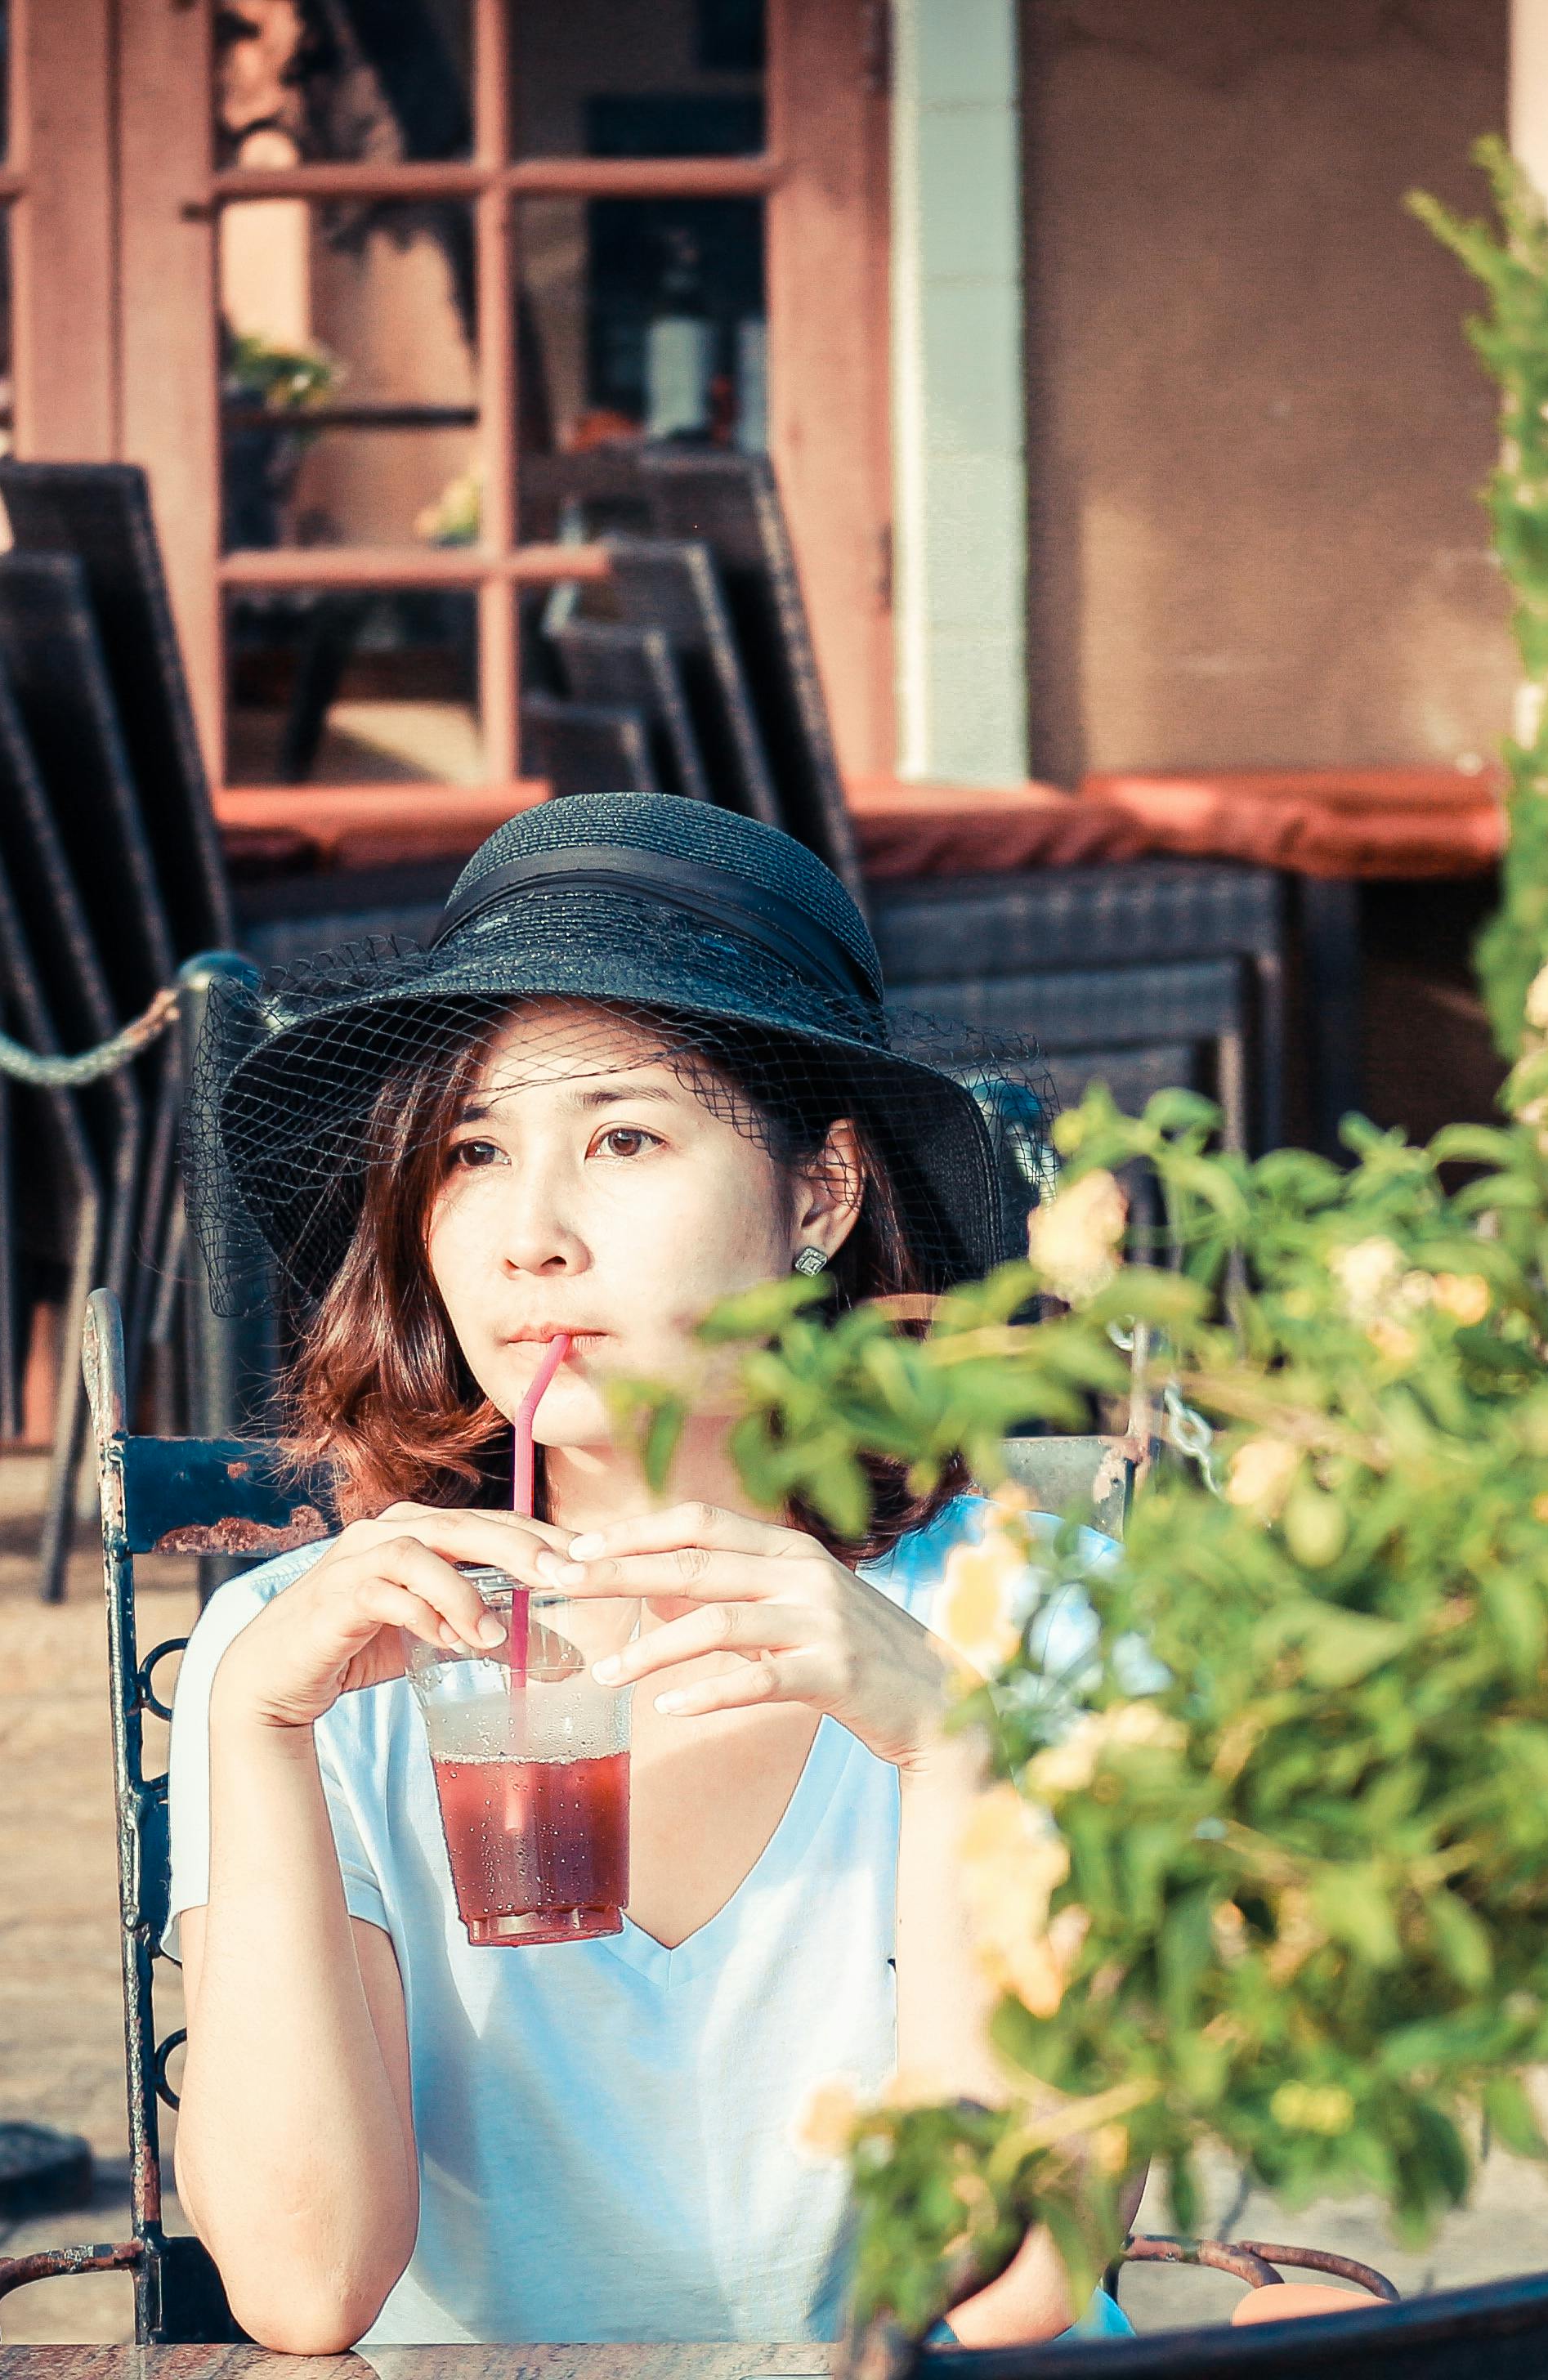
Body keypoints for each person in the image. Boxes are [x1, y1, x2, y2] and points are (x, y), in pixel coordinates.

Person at [162, 795, 1118, 2352]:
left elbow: (1014, 2292)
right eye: (473, 1150)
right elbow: (302, 2286)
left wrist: (958, 1749)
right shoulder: (299, 1655)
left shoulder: (1024, 1608)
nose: (529, 1237)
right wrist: (260, 1737)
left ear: (820, 1196)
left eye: (623, 1137)